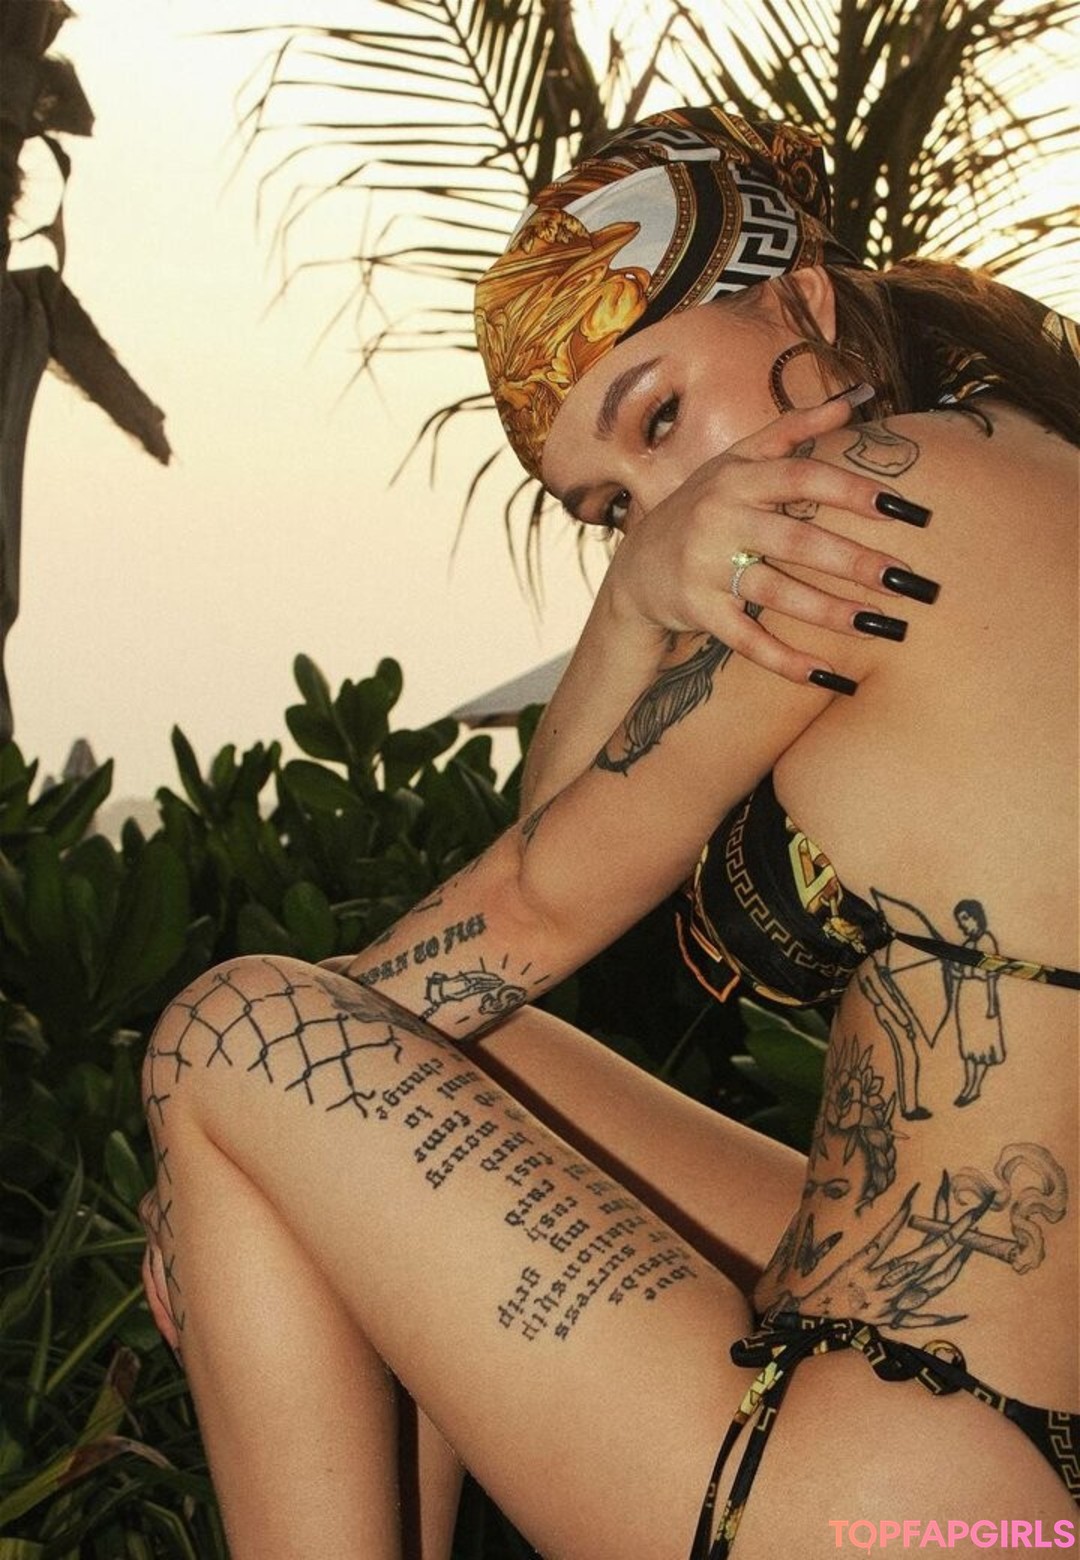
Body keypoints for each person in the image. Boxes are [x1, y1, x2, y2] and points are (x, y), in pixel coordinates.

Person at [140, 108, 1079, 1559]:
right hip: (992, 1466)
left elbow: (535, 903)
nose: (669, 507)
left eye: (659, 419)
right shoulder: (1003, 464)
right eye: (611, 510)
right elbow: (538, 895)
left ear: (805, 302)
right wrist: (643, 593)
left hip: (899, 1486)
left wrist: (206, 1158)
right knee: (459, 1066)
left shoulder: (866, 505)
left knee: (234, 1034)